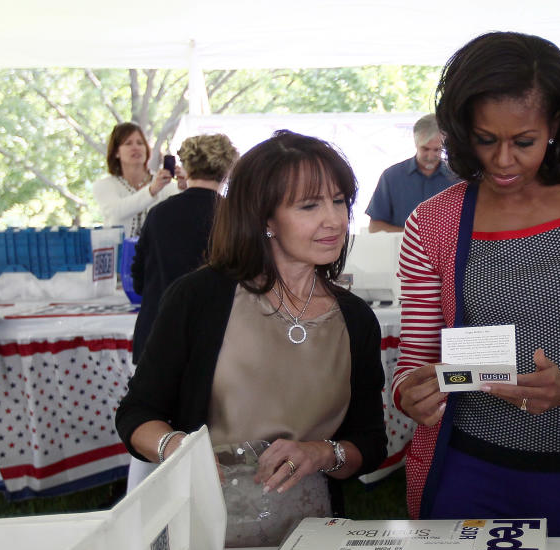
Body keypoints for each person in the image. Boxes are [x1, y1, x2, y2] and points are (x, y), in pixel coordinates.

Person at [393, 32, 560, 537]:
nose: (503, 161)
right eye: (485, 139)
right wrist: (411, 393)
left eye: (524, 142)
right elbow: (413, 365)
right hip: (468, 470)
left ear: (555, 125)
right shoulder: (432, 223)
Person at [115, 130, 387, 524]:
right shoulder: (200, 298)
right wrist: (176, 447)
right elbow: (137, 414)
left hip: (311, 531)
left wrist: (321, 453)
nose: (334, 219)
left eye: (340, 201)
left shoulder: (354, 318)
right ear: (264, 218)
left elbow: (370, 442)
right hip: (202, 528)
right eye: (310, 206)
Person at [130, 133, 239, 363]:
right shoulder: (234, 215)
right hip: (214, 336)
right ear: (228, 170)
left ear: (186, 167)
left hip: (158, 334)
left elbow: (139, 279)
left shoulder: (159, 214)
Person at [365, 114, 459, 232]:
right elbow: (375, 228)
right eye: (425, 149)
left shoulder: (457, 179)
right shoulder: (391, 177)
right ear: (416, 143)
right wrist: (414, 237)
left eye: (437, 150)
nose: (430, 156)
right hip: (399, 248)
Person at [92, 122, 182, 235]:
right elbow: (116, 212)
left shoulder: (166, 185)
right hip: (120, 251)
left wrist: (184, 187)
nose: (135, 148)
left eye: (140, 143)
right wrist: (151, 191)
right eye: (128, 143)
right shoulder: (104, 186)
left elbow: (183, 214)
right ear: (116, 152)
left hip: (157, 252)